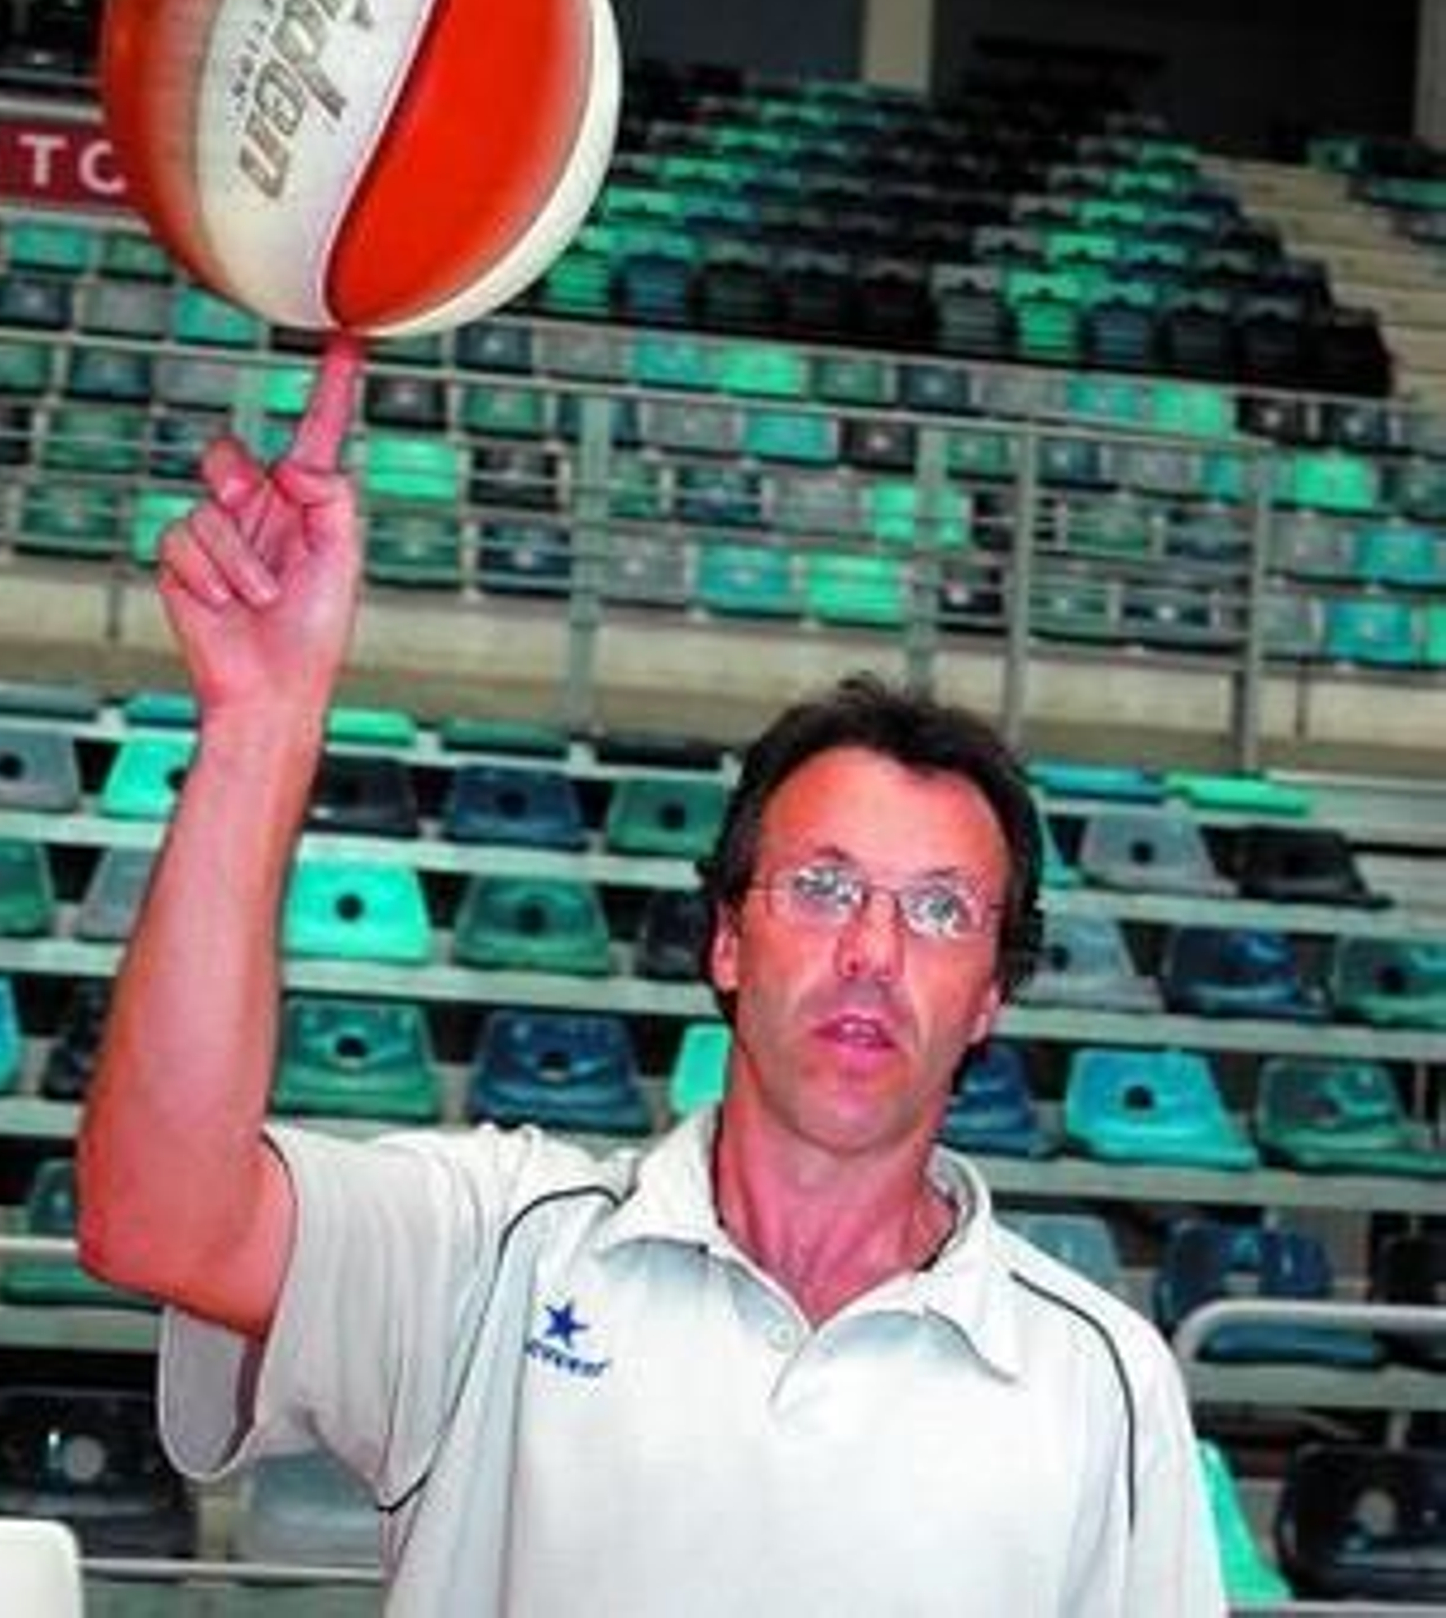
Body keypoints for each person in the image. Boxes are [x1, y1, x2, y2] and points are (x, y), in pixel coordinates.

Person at [78, 360, 1226, 1615]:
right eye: (824, 887)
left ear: (990, 996)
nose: (873, 953)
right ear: (726, 941)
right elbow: (157, 1220)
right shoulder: (498, 1249)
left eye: (941, 910)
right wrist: (259, 722)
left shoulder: (1099, 1376)